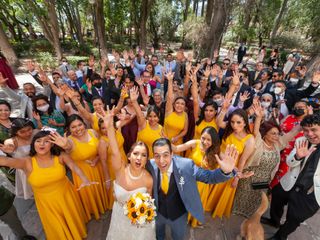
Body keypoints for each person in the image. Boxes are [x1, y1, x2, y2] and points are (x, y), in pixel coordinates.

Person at [0, 130, 91, 240]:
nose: (42, 144)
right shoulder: (27, 162)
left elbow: (74, 166)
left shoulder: (60, 156)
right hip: (46, 204)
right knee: (57, 228)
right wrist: (7, 153)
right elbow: (5, 161)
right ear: (34, 144)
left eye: (46, 141)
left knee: (73, 221)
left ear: (52, 144)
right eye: (38, 141)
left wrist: (85, 179)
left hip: (66, 196)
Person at [148, 137, 240, 240]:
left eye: (165, 155)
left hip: (178, 214)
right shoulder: (150, 165)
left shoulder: (186, 166)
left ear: (172, 154)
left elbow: (208, 177)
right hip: (158, 212)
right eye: (157, 156)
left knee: (178, 237)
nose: (161, 161)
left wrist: (225, 172)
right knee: (158, 235)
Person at [232, 103, 301, 218]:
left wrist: (304, 123)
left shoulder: (277, 145)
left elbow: (292, 134)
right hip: (249, 177)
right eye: (273, 133)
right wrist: (259, 117)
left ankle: (251, 218)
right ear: (265, 134)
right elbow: (256, 131)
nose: (276, 136)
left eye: (278, 134)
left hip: (264, 181)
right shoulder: (258, 142)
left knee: (254, 203)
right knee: (241, 202)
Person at [99, 107, 155, 240]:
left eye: (143, 155)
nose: (139, 158)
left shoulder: (148, 180)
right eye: (135, 153)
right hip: (119, 217)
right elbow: (114, 149)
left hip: (138, 223)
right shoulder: (120, 170)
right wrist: (109, 126)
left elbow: (149, 205)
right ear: (129, 156)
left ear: (146, 159)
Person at [267, 114, 320, 240]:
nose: (310, 134)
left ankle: (280, 236)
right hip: (291, 181)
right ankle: (274, 221)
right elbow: (290, 162)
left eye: (314, 130)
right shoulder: (300, 140)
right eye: (306, 130)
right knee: (276, 196)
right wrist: (297, 157)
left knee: (295, 218)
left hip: (311, 192)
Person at [51, 114, 108, 220]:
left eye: (79, 125)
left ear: (84, 124)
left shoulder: (93, 132)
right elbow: (67, 147)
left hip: (99, 167)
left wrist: (97, 158)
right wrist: (64, 146)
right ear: (68, 129)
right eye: (73, 127)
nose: (78, 129)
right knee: (91, 195)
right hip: (83, 173)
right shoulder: (69, 141)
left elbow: (102, 147)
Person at [208, 109, 255, 218]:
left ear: (245, 122)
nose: (234, 125)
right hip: (217, 162)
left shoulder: (249, 139)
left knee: (220, 191)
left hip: (230, 169)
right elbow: (219, 122)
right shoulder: (229, 128)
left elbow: (243, 160)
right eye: (232, 122)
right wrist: (224, 109)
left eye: (238, 122)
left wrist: (236, 178)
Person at [172, 127, 220, 227]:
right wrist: (165, 141)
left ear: (213, 141)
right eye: (203, 138)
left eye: (208, 140)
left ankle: (192, 220)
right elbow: (177, 148)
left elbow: (224, 165)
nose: (205, 142)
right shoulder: (195, 143)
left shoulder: (216, 152)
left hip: (201, 184)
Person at [0, 118, 37, 199]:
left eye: (29, 129)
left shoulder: (35, 133)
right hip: (25, 171)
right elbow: (9, 145)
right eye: (22, 132)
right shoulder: (12, 141)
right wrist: (9, 149)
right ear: (15, 132)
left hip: (40, 166)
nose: (27, 133)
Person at [130, 86, 162, 158]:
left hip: (154, 162)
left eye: (155, 116)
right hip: (140, 159)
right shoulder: (143, 124)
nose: (152, 119)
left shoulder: (161, 128)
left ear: (159, 117)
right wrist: (134, 101)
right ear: (147, 116)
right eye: (150, 116)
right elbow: (139, 113)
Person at [163, 72, 188, 145]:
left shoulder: (185, 115)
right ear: (174, 105)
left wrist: (177, 137)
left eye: (182, 104)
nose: (179, 105)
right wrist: (170, 81)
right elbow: (170, 98)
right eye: (177, 103)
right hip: (165, 141)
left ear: (184, 106)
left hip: (178, 143)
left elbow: (185, 130)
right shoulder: (169, 111)